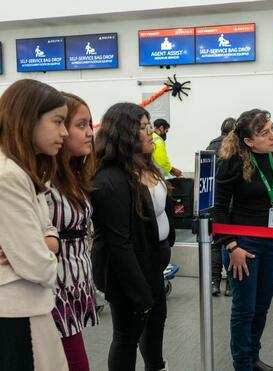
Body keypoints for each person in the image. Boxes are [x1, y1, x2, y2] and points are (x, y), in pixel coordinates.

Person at [91, 103, 175, 371]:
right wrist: (140, 293)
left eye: (150, 126)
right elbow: (119, 244)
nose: (151, 133)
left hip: (153, 265)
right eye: (143, 127)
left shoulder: (146, 166)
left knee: (155, 325)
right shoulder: (110, 180)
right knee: (127, 336)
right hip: (129, 273)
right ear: (124, 133)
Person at [214, 109, 273, 371]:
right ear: (249, 141)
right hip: (243, 244)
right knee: (244, 309)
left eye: (272, 128)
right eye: (265, 133)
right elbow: (219, 207)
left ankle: (253, 357)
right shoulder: (232, 159)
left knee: (262, 307)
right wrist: (231, 245)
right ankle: (242, 365)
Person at [0, 79, 69, 371]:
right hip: (17, 314)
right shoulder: (9, 176)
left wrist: (42, 244)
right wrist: (42, 252)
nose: (63, 132)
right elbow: (37, 265)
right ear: (28, 120)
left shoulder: (23, 170)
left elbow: (50, 233)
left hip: (29, 308)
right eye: (58, 121)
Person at [45, 92, 98, 371]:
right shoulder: (41, 179)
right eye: (81, 125)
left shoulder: (75, 175)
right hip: (52, 289)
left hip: (75, 280)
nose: (90, 133)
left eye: (90, 124)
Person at [206, 117, 236, 297]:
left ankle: (214, 283)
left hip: (212, 202)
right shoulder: (233, 148)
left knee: (216, 245)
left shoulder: (209, 147)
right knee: (230, 243)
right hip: (230, 203)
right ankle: (231, 285)